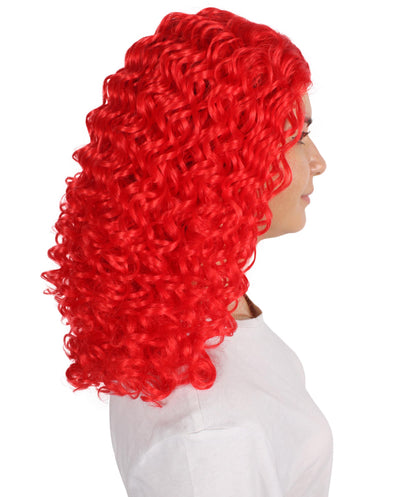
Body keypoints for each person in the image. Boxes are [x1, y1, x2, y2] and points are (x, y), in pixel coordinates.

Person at [41, 7, 332, 496]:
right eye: (298, 136)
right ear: (222, 162)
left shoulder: (191, 312)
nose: (319, 162)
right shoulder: (208, 440)